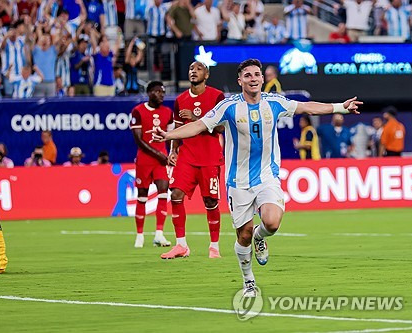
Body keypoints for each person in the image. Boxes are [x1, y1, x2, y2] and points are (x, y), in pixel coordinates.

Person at [149, 58, 362, 297]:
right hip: (237, 182)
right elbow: (198, 126)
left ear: (262, 79)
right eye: (248, 75)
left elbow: (306, 107)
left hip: (266, 177)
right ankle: (248, 280)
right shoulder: (228, 107)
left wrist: (340, 107)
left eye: (257, 75)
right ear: (240, 80)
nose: (253, 79)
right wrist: (168, 136)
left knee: (271, 222)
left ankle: (261, 238)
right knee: (244, 235)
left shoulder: (274, 102)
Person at [161, 61, 225, 260]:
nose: (193, 72)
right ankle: (181, 245)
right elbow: (178, 130)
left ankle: (214, 247)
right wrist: (173, 150)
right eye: (190, 69)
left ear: (206, 75)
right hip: (187, 156)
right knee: (176, 195)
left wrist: (197, 118)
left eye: (198, 69)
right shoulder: (180, 100)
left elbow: (222, 127)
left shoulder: (217, 97)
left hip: (209, 157)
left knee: (210, 201)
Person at [130, 81, 173, 248]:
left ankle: (159, 234)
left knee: (164, 193)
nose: (161, 95)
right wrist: (158, 155)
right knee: (142, 196)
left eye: (163, 92)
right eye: (157, 92)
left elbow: (171, 135)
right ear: (149, 93)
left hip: (161, 161)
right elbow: (139, 140)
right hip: (145, 160)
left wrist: (169, 154)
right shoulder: (138, 111)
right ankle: (139, 235)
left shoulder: (168, 112)